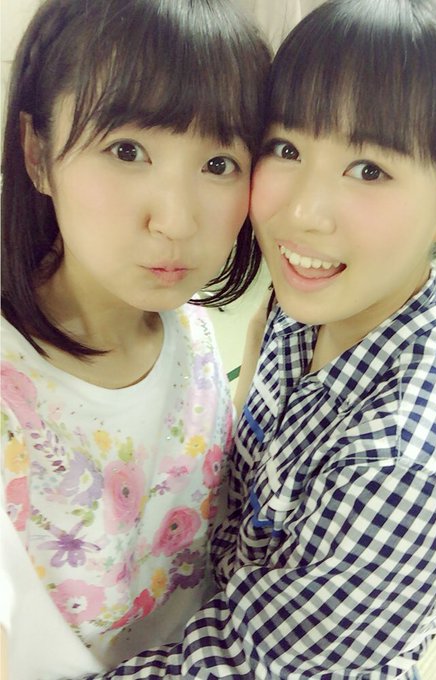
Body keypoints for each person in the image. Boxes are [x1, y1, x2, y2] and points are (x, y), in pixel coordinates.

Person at [81, 0, 436, 678]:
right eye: (286, 149)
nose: (302, 213)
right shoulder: (316, 297)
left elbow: (241, 666)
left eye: (369, 169)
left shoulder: (408, 468)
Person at [0, 1, 271, 678]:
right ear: (37, 154)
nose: (175, 221)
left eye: (219, 163)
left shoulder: (191, 328)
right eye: (127, 151)